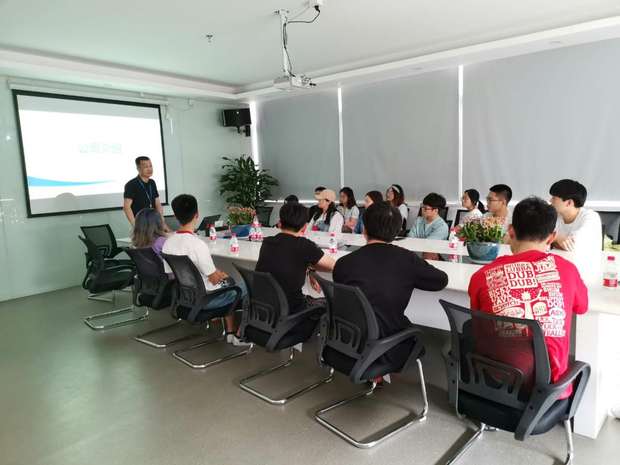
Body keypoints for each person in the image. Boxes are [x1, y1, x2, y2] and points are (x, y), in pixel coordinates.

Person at [468, 197, 588, 399]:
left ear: (511, 231)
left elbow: (479, 322)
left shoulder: (482, 276)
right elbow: (582, 307)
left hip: (496, 379)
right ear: (552, 237)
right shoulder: (567, 270)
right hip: (549, 390)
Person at [333, 201, 448, 370]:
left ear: (364, 229)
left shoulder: (343, 263)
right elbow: (441, 280)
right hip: (386, 348)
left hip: (344, 343)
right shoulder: (406, 259)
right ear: (396, 232)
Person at [162, 194, 248, 346]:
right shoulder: (197, 245)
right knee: (246, 284)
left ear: (175, 216)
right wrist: (221, 275)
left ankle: (230, 332)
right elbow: (214, 279)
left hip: (185, 298)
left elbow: (172, 274)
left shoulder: (168, 243)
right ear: (197, 215)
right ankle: (239, 335)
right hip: (207, 300)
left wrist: (216, 275)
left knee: (227, 282)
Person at [256, 202, 335, 312]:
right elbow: (332, 266)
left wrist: (309, 268)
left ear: (279, 223)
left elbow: (287, 259)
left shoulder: (267, 242)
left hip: (262, 307)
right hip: (291, 310)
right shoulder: (304, 245)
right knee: (329, 303)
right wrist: (310, 266)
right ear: (304, 227)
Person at [549, 179, 602, 254]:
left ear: (569, 203)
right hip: (558, 259)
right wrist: (557, 238)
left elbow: (573, 245)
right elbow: (539, 240)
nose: (550, 200)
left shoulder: (591, 217)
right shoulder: (554, 215)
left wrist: (553, 240)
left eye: (554, 198)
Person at [123, 156, 165, 227]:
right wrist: (135, 225)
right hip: (141, 223)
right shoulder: (131, 184)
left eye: (150, 166)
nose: (149, 169)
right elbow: (126, 207)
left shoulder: (152, 182)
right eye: (146, 167)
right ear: (138, 168)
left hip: (154, 221)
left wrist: (161, 220)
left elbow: (157, 203)